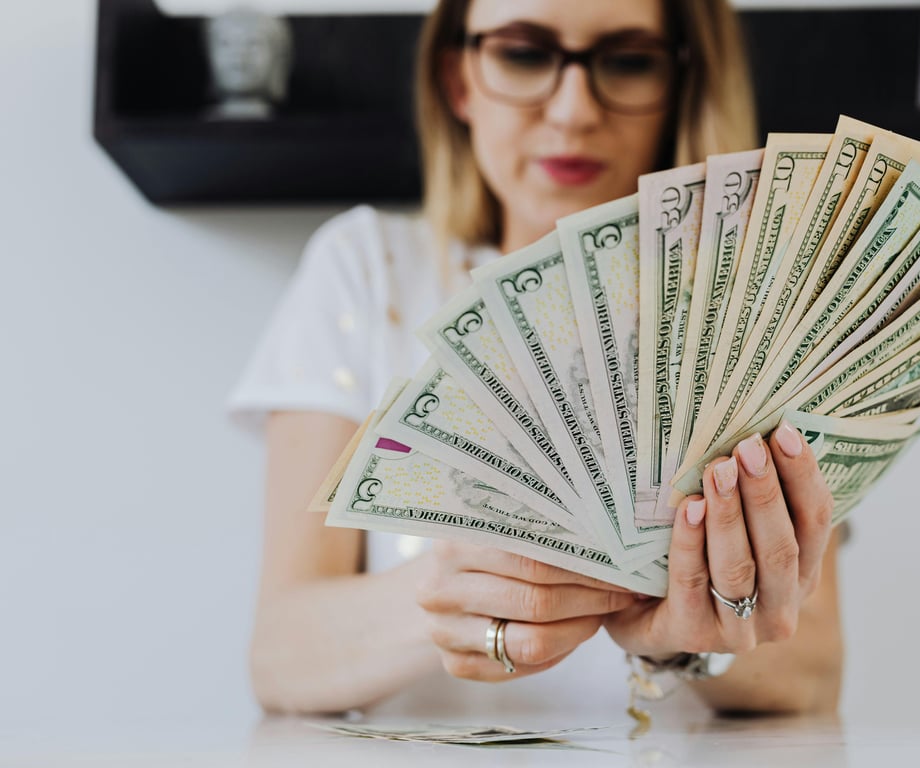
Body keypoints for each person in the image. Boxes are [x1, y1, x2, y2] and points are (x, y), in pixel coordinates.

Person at [228, 0, 844, 719]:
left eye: (629, 61)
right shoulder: (366, 268)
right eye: (524, 54)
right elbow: (280, 656)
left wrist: (684, 636)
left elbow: (813, 673)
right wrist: (448, 594)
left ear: (680, 83)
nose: (574, 111)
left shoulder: (752, 309)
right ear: (458, 79)